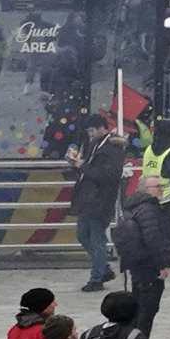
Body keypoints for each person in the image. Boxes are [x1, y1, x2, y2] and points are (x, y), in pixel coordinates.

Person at [67, 118, 127, 291]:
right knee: (82, 235)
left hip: (100, 199)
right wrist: (77, 164)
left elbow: (107, 176)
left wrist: (83, 166)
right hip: (87, 198)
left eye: (92, 131)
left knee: (96, 238)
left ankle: (97, 277)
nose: (90, 134)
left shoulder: (113, 149)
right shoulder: (94, 145)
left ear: (102, 129)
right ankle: (103, 268)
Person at [111, 173, 170, 334]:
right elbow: (153, 238)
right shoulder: (149, 209)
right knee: (147, 310)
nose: (161, 190)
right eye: (157, 187)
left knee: (139, 306)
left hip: (136, 264)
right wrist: (162, 265)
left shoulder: (133, 206)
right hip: (148, 266)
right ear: (146, 190)